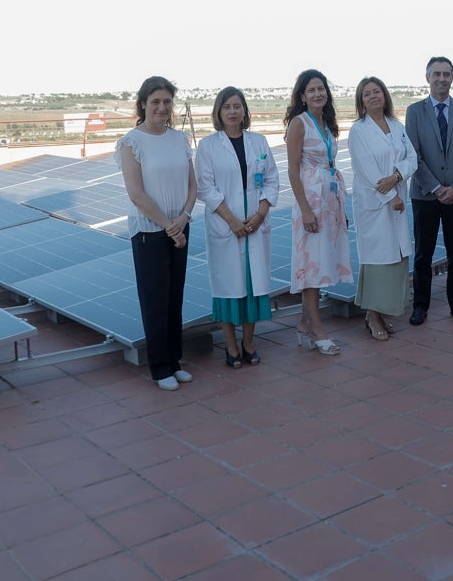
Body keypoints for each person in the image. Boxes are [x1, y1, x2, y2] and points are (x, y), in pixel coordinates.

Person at [116, 76, 198, 391]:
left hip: (180, 226)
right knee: (154, 300)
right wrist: (168, 225)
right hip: (150, 231)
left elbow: (192, 185)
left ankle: (175, 360)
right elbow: (136, 193)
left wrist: (184, 218)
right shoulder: (131, 142)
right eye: (155, 102)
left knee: (174, 297)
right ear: (144, 104)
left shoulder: (179, 139)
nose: (162, 108)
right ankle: (159, 366)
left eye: (166, 102)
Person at [196, 87, 279, 369]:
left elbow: (272, 180)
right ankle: (231, 345)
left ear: (245, 111)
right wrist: (231, 220)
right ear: (219, 112)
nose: (233, 111)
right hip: (225, 226)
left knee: (253, 285)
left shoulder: (259, 142)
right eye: (227, 106)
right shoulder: (208, 146)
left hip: (255, 224)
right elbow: (205, 188)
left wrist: (259, 215)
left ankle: (249, 342)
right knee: (229, 286)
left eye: (237, 106)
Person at [284, 69, 353, 356]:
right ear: (302, 95)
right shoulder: (299, 124)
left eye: (321, 88)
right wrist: (305, 210)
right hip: (310, 204)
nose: (317, 94)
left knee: (323, 262)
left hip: (330, 203)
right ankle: (318, 329)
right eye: (311, 90)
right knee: (312, 268)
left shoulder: (327, 122)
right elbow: (292, 170)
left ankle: (304, 324)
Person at [404, 56, 453, 325]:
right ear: (428, 78)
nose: (442, 79)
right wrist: (436, 187)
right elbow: (413, 154)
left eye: (446, 74)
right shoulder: (414, 111)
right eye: (437, 74)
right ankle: (420, 306)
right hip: (425, 195)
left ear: (452, 78)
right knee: (424, 254)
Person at [349, 76, 418, 341]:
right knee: (377, 260)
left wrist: (397, 176)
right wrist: (390, 196)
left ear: (385, 95)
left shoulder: (397, 126)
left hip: (397, 201)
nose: (373, 96)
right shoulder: (359, 131)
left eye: (377, 91)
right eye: (367, 94)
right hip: (376, 206)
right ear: (361, 101)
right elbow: (367, 170)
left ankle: (381, 313)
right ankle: (372, 315)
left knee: (396, 258)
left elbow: (412, 158)